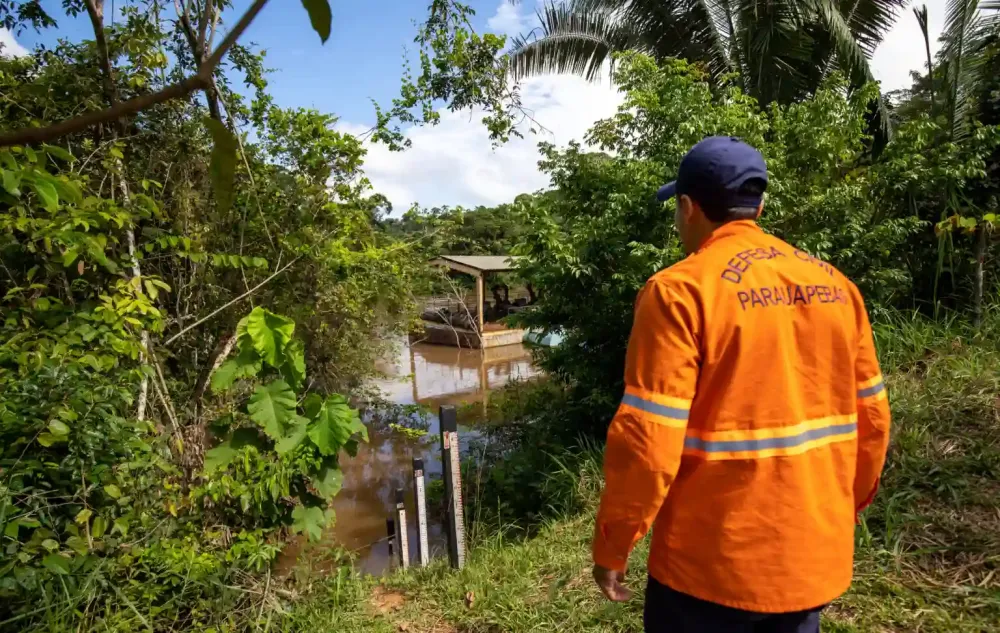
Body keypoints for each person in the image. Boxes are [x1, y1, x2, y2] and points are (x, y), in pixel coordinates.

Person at [590, 136, 892, 633]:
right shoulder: (839, 287)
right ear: (760, 204)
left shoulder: (678, 292)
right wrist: (842, 508)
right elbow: (874, 419)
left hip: (708, 569)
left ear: (687, 207)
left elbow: (648, 440)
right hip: (808, 555)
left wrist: (614, 543)